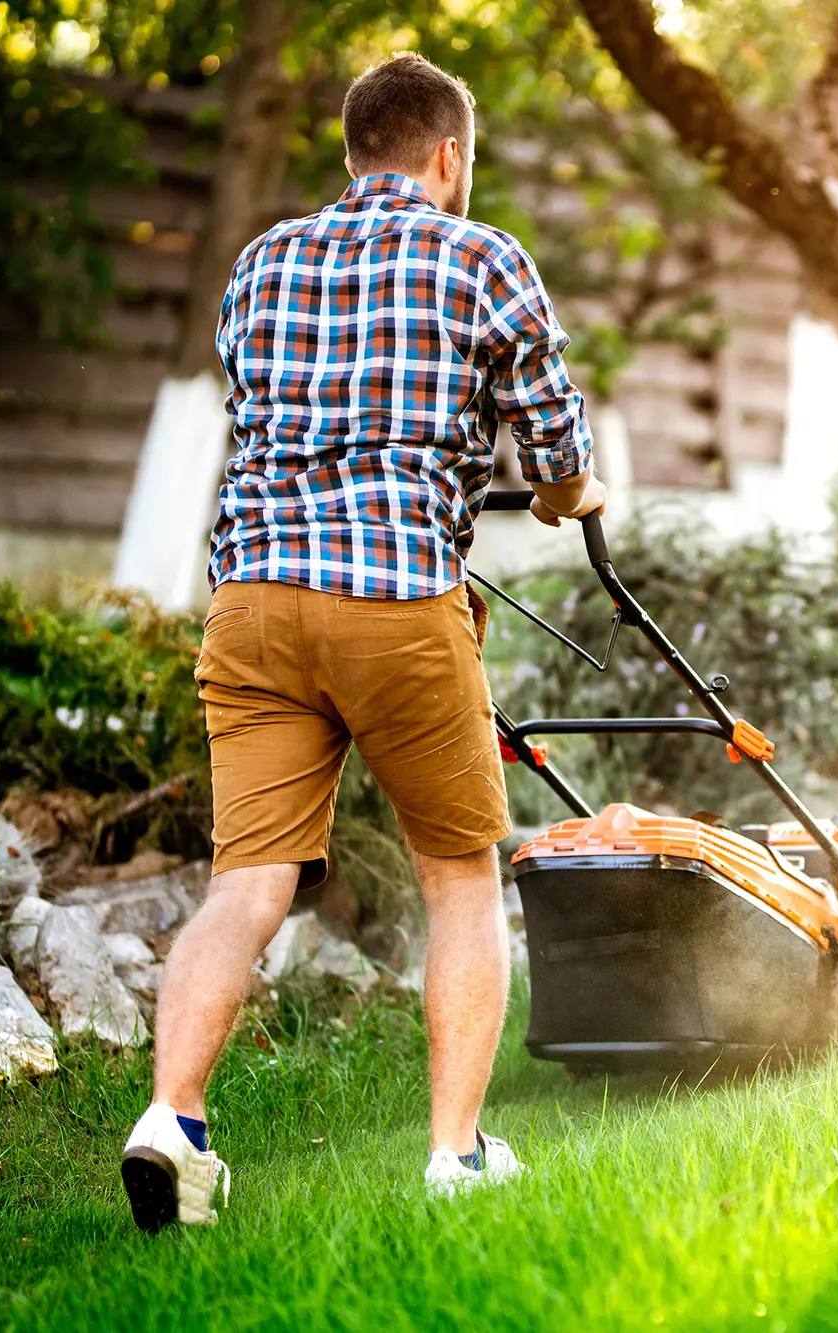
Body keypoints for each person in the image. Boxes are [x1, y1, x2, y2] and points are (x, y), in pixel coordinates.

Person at [119, 51, 606, 1231]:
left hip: (252, 603)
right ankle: (456, 1156)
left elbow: (260, 411)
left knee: (246, 882)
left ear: (352, 153)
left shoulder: (261, 262)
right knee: (458, 876)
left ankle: (172, 1123)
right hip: (392, 601)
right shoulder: (478, 255)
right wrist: (570, 496)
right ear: (448, 154)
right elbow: (551, 438)